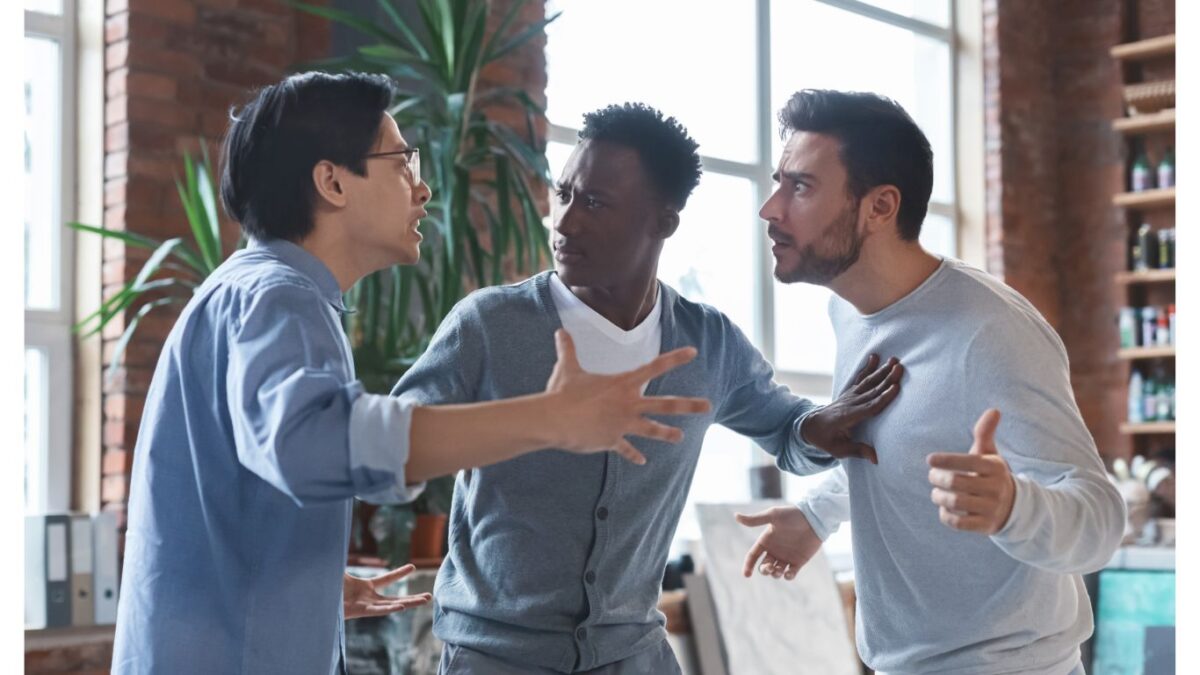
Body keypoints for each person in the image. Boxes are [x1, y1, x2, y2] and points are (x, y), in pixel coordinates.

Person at [111, 72, 713, 675]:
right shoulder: (279, 297)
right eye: (402, 161)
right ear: (332, 182)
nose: (422, 189)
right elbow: (312, 444)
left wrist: (305, 585)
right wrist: (547, 418)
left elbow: (246, 478)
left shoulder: (253, 291)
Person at [389, 102, 904, 675]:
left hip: (634, 656)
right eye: (563, 194)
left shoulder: (706, 342)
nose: (564, 221)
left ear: (663, 220)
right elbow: (389, 453)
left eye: (595, 203)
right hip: (494, 658)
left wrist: (822, 426)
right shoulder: (488, 326)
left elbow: (788, 431)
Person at [738, 89, 1125, 675]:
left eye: (800, 187)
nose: (771, 209)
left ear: (879, 207)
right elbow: (905, 446)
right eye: (778, 183)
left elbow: (1101, 521)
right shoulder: (850, 312)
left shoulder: (991, 331)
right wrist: (818, 515)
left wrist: (1013, 507)